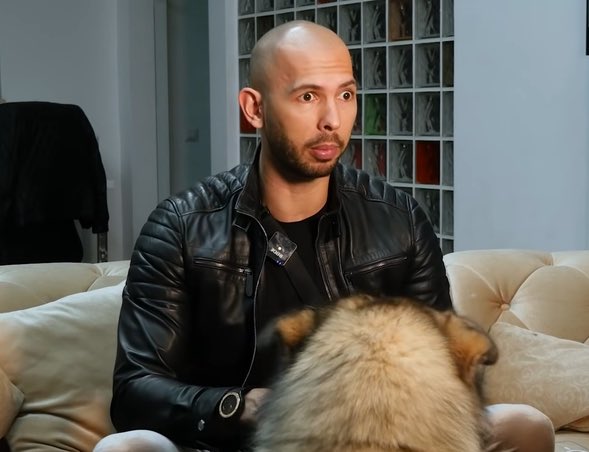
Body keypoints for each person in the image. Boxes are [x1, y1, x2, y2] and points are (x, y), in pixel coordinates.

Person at [94, 21, 554, 452]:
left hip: (378, 433)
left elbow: (446, 359)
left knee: (523, 424)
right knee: (126, 448)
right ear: (255, 108)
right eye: (308, 96)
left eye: (346, 94)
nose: (332, 119)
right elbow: (135, 389)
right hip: (234, 440)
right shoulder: (181, 226)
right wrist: (237, 406)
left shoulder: (399, 220)